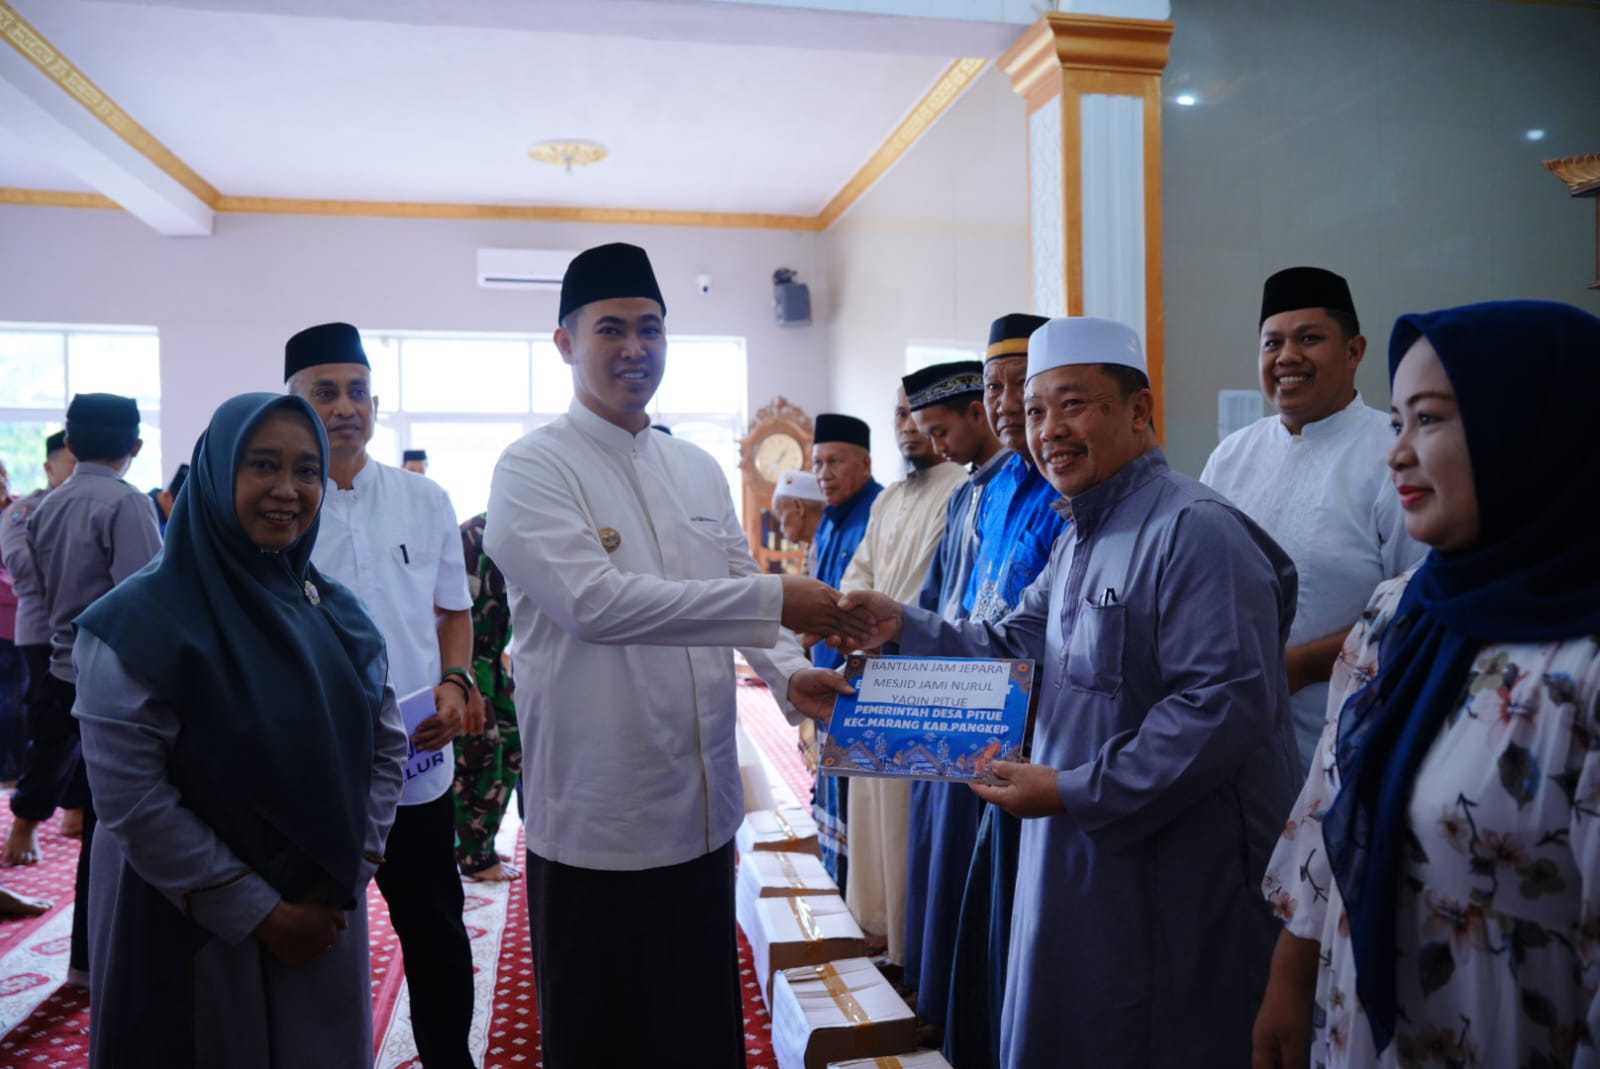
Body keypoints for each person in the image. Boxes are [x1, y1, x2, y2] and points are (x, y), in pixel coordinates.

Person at [812, 316, 1300, 1068]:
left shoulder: (1196, 531)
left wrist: (1074, 789)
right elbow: (1011, 644)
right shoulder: (1077, 536)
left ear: (1138, 411)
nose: (1047, 430)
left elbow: (1219, 710)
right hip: (1078, 855)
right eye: (1036, 410)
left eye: (1073, 404)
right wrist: (900, 627)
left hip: (1174, 870)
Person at [481, 242, 865, 1069]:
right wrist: (775, 600)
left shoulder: (694, 468)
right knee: (604, 1044)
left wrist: (792, 672)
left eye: (650, 328)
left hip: (700, 813)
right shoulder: (531, 468)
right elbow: (597, 605)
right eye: (611, 329)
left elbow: (737, 589)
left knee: (697, 1034)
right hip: (596, 821)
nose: (634, 348)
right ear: (565, 342)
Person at [1252, 301, 1600, 1069]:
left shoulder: (1582, 665)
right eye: (1397, 422)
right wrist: (1291, 971)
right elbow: (1328, 797)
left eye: (1431, 419)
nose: (1397, 454)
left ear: (1533, 430)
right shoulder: (1399, 610)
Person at [72, 392, 408, 1069]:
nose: (287, 489)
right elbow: (132, 799)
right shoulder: (136, 624)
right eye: (262, 464)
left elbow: (386, 745)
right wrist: (263, 912)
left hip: (320, 906)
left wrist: (344, 875)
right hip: (187, 915)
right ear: (216, 474)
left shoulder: (336, 612)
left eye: (307, 470)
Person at [286, 323, 480, 1069]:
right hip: (311, 760)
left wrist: (457, 682)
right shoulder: (278, 504)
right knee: (311, 927)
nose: (345, 407)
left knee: (435, 926)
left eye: (358, 391)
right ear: (292, 402)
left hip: (415, 758)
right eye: (325, 392)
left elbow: (453, 611)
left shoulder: (423, 499)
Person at [1202, 267, 1423, 772]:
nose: (1287, 357)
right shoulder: (1231, 455)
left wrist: (1300, 666)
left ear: (1354, 351)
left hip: (1348, 737)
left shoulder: (1395, 454)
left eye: (1309, 339)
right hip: (1227, 734)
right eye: (1272, 343)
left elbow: (1419, 606)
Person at [28, 394, 163, 985]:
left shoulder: (45, 507)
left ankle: (87, 960)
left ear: (70, 444)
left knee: (98, 825)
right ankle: (102, 960)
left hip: (64, 671)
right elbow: (146, 604)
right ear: (135, 447)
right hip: (116, 686)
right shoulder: (127, 503)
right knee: (121, 826)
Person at [836, 385, 966, 964]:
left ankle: (913, 950)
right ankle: (879, 930)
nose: (908, 426)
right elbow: (858, 570)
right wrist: (852, 618)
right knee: (871, 807)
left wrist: (893, 630)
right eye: (899, 414)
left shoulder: (959, 489)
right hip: (873, 668)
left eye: (918, 414)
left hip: (920, 673)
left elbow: (935, 590)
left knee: (909, 816)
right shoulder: (888, 498)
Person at [809, 412, 884, 892]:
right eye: (817, 463)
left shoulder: (878, 512)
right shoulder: (829, 520)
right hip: (826, 683)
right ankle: (837, 893)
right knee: (834, 804)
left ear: (865, 463)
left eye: (834, 461)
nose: (824, 473)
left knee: (861, 812)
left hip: (861, 688)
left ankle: (858, 903)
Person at [2, 431, 77, 864]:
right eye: (72, 461)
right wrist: (85, 569)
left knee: (92, 729)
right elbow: (21, 566)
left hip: (91, 631)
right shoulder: (25, 510)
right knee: (50, 729)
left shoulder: (108, 501)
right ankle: (25, 823)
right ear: (49, 467)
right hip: (43, 634)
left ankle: (75, 811)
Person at [452, 511, 521, 883]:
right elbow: (449, 614)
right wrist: (467, 685)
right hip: (468, 663)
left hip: (493, 663)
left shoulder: (522, 532)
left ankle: (481, 843)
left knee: (512, 746)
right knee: (481, 751)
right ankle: (474, 856)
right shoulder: (473, 538)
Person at [771, 469, 825, 575]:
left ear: (798, 506)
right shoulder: (814, 548)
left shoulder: (828, 546)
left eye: (781, 516)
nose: (781, 528)